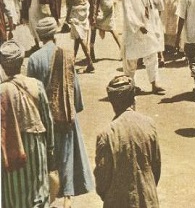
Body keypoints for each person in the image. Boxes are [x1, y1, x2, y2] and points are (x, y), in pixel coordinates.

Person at [27, 18, 94, 206]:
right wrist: (75, 107)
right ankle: (68, 197)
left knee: (49, 157)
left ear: (39, 36)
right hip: (65, 112)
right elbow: (75, 87)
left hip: (44, 116)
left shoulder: (34, 59)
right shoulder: (66, 54)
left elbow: (31, 92)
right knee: (67, 155)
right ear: (55, 33)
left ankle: (49, 194)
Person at [1, 40, 54, 208]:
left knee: (14, 197)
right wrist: (51, 150)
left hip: (11, 149)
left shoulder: (2, 91)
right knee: (39, 192)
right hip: (36, 146)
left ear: (3, 66)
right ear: (21, 61)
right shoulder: (36, 85)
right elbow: (48, 121)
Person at [94, 75, 161, 208]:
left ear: (112, 103)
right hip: (148, 200)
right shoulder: (149, 124)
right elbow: (156, 167)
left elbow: (102, 179)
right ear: (133, 99)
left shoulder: (106, 135)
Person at [121, 0, 165, 95]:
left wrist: (152, 24)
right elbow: (129, 14)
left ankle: (154, 83)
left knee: (152, 55)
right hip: (134, 31)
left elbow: (150, 6)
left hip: (148, 28)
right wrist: (139, 26)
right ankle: (130, 85)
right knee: (131, 60)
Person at [66, 0, 94, 72]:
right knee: (78, 36)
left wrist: (68, 14)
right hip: (85, 7)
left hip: (76, 9)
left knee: (80, 37)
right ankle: (72, 61)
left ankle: (89, 61)